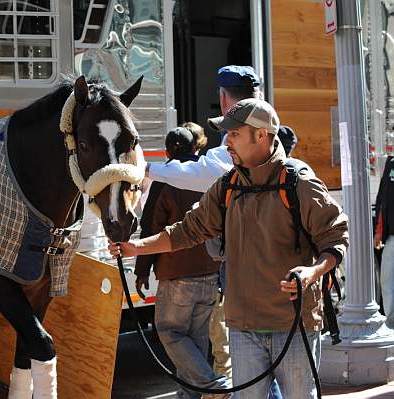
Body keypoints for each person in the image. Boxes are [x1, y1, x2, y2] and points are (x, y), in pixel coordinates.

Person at [109, 98, 349, 398]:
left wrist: (313, 272)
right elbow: (188, 230)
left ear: (261, 136)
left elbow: (336, 236)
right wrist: (135, 248)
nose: (227, 143)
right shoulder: (228, 185)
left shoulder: (298, 182)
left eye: (234, 134)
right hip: (243, 326)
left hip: (294, 325)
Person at [135, 124, 230, 399]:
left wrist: (142, 271)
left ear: (166, 150)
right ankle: (188, 396)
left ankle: (214, 386)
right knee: (197, 342)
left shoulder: (166, 180)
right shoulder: (208, 177)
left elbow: (152, 226)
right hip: (211, 272)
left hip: (177, 273)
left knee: (169, 332)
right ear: (195, 148)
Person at [374, 155, 394, 328]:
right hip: (392, 236)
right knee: (387, 281)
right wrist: (379, 231)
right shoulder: (391, 163)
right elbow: (383, 197)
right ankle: (390, 324)